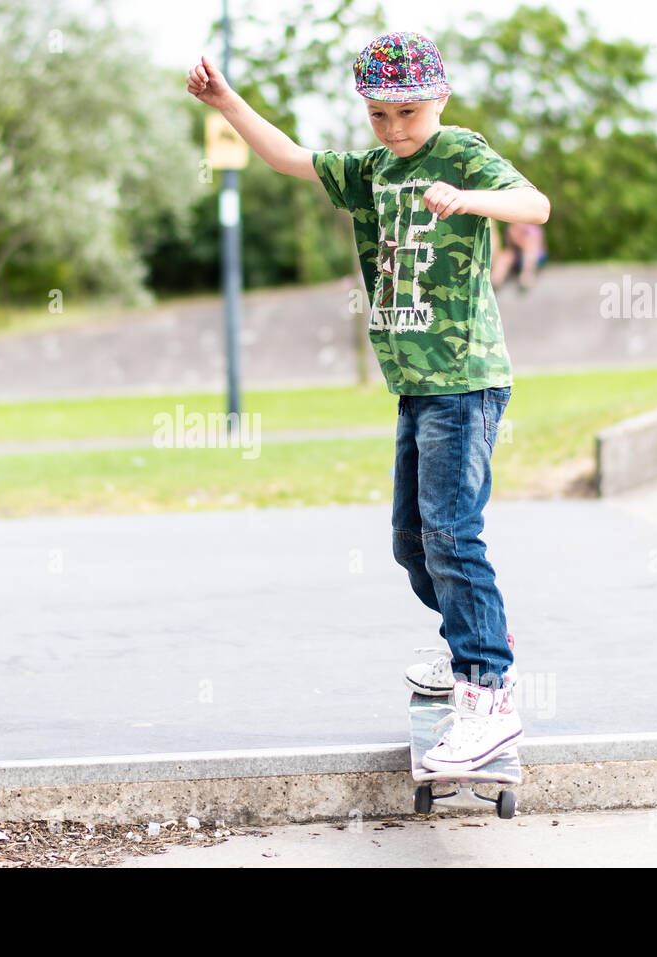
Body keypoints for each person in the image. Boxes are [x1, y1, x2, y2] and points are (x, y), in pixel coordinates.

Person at [188, 32, 549, 771]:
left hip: (464, 377)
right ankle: (477, 641)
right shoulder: (373, 170)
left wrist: (467, 197)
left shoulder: (460, 151)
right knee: (411, 545)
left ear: (440, 98)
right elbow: (289, 157)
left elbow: (534, 204)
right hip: (415, 386)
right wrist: (227, 102)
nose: (395, 129)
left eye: (409, 113)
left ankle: (489, 696)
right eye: (379, 115)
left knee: (451, 534)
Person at [491, 221, 547, 291]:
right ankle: (495, 279)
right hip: (517, 259)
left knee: (528, 248)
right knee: (507, 254)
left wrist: (516, 237)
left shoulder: (532, 228)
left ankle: (526, 277)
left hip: (536, 258)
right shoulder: (512, 228)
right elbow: (509, 246)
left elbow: (531, 245)